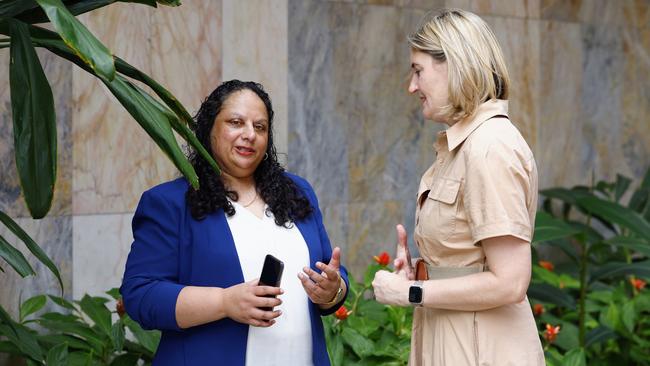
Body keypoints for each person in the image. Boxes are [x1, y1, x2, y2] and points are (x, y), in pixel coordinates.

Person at [120, 80, 348, 366]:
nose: (249, 134)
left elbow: (331, 275)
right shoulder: (170, 203)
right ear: (209, 130)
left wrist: (333, 291)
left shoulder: (297, 192)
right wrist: (225, 302)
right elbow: (140, 297)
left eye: (260, 127)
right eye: (236, 122)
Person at [372, 9, 544, 366]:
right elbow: (471, 257)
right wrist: (426, 270)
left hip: (483, 349)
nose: (412, 86)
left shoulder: (488, 147)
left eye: (418, 70)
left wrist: (411, 292)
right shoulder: (466, 145)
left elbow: (510, 282)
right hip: (457, 339)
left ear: (455, 63)